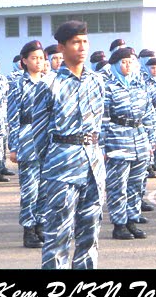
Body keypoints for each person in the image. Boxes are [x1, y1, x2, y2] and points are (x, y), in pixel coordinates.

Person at [31, 21, 106, 269]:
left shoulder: (97, 81)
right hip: (62, 168)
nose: (82, 47)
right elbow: (39, 135)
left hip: (93, 167)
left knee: (90, 235)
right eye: (75, 42)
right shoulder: (48, 84)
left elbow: (99, 127)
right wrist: (53, 165)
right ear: (62, 47)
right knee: (58, 236)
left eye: (85, 41)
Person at [103, 47, 155, 240]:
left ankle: (132, 220)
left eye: (130, 62)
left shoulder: (139, 86)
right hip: (118, 141)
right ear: (115, 65)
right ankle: (119, 224)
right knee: (118, 186)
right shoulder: (108, 87)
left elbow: (148, 115)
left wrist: (150, 141)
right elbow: (103, 119)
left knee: (136, 185)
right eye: (123, 62)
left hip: (139, 139)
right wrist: (103, 146)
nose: (127, 66)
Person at [7, 40, 48, 248]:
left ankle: (41, 225)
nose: (38, 61)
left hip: (47, 141)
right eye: (34, 58)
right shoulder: (18, 85)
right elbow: (12, 117)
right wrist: (13, 146)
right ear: (24, 61)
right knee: (30, 189)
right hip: (28, 138)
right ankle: (29, 230)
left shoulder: (50, 81)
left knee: (45, 188)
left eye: (41, 58)